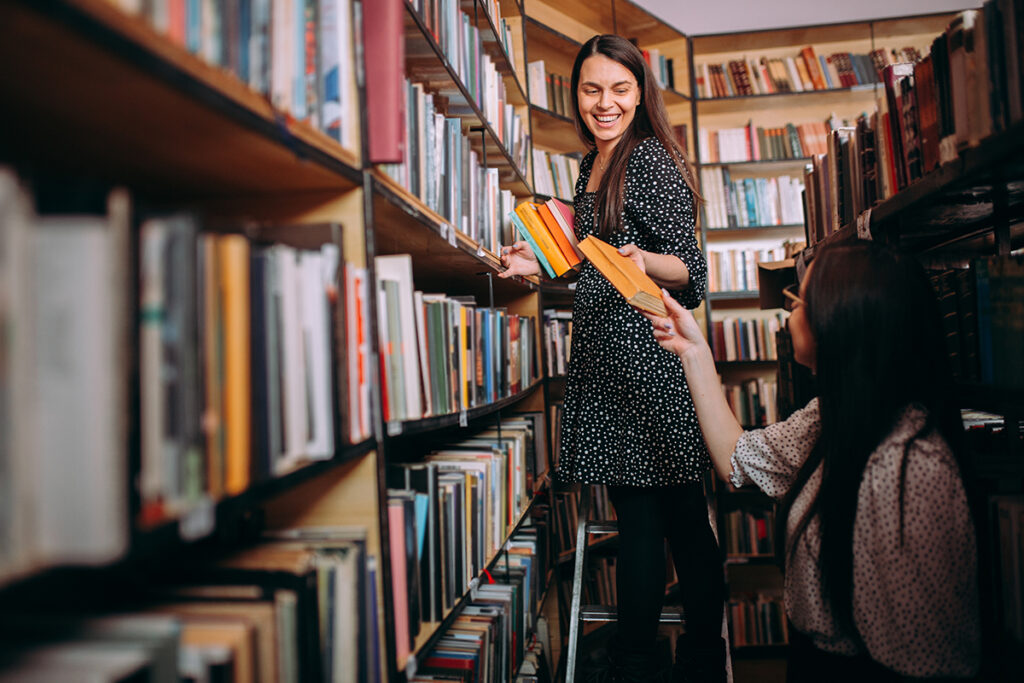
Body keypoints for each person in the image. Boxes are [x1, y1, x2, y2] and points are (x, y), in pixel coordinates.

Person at [645, 240, 981, 681]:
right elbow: (737, 459)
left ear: (840, 323)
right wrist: (694, 352)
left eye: (800, 300)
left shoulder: (911, 465)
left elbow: (929, 660)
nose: (790, 312)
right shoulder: (831, 416)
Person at [500, 34, 725, 683]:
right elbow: (589, 262)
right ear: (576, 94)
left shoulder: (648, 158)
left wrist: (643, 260)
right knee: (675, 517)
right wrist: (539, 264)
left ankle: (644, 663)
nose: (605, 102)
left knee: (653, 521)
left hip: (647, 363)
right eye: (592, 88)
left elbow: (692, 269)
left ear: (639, 94)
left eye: (620, 89)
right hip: (608, 363)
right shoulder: (591, 162)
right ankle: (697, 658)